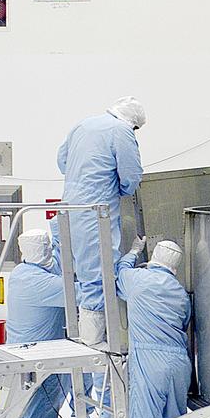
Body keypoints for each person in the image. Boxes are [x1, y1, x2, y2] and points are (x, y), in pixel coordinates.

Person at [54, 96, 145, 346]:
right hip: (96, 208)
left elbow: (62, 161)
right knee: (99, 271)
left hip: (70, 205)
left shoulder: (83, 124)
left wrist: (81, 178)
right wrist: (121, 189)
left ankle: (86, 336)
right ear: (132, 122)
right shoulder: (122, 131)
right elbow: (131, 174)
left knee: (81, 267)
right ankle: (93, 342)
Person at [3, 230, 76, 418]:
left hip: (18, 353)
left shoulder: (20, 273)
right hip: (42, 358)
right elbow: (82, 294)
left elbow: (54, 262)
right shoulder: (43, 283)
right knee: (42, 409)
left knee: (22, 406)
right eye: (48, 247)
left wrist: (59, 232)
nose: (50, 251)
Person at [115, 238, 191, 418]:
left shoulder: (138, 280)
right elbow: (184, 323)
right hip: (179, 362)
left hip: (150, 360)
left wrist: (134, 251)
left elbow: (118, 272)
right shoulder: (180, 293)